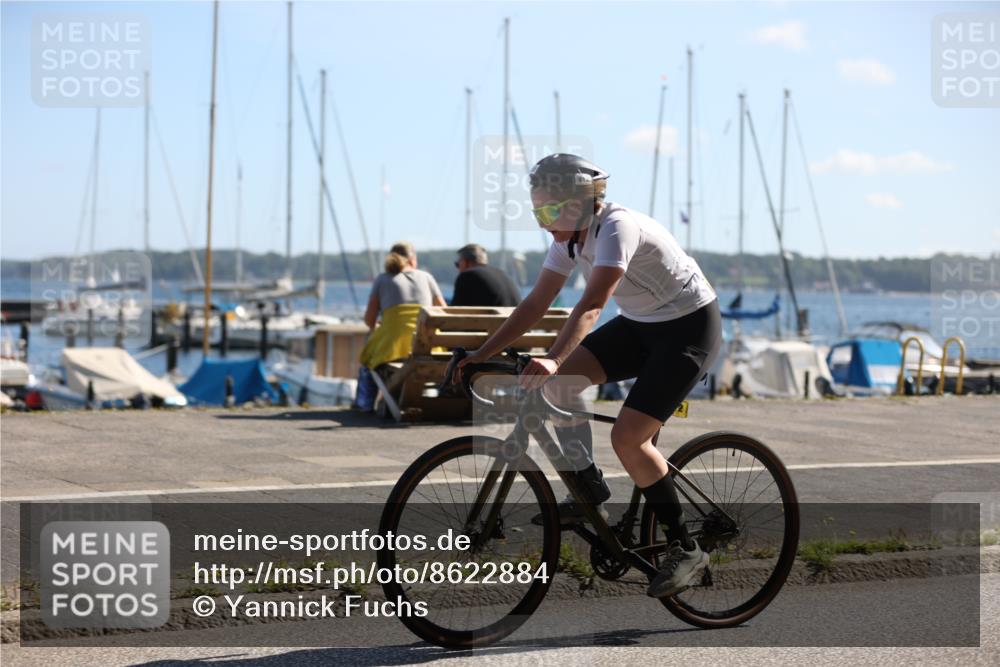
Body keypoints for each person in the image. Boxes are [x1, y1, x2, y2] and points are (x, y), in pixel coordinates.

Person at [453, 154, 721, 599]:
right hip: (641, 325)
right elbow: (534, 305)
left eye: (550, 211)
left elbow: (593, 305)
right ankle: (588, 487)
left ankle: (686, 547)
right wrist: (480, 353)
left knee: (629, 439)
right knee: (559, 387)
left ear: (580, 204)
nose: (543, 222)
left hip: (688, 329)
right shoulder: (568, 240)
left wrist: (555, 357)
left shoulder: (618, 227)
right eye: (538, 212)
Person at [354, 242, 446, 411]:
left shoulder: (382, 279)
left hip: (392, 349)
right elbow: (443, 312)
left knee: (367, 360)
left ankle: (364, 404)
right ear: (412, 259)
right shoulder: (426, 277)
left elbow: (369, 320)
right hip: (430, 348)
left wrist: (386, 323)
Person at [451, 243, 521, 307]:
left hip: (493, 321)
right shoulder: (503, 274)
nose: (458, 268)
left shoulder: (467, 276)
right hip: (515, 320)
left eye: (457, 264)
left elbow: (455, 311)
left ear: (465, 262)